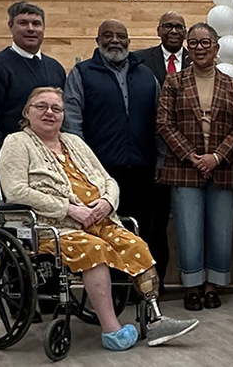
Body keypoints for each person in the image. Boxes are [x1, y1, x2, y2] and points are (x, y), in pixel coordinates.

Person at [0, 87, 198, 351]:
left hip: (98, 219)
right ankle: (111, 331)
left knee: (135, 244)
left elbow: (108, 180)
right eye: (41, 106)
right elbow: (16, 190)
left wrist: (106, 201)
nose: (49, 113)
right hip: (51, 227)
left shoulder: (74, 142)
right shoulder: (16, 142)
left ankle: (156, 320)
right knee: (95, 250)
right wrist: (67, 209)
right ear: (27, 112)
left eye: (56, 108)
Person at [63, 19, 172, 286]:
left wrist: (160, 159)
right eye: (108, 35)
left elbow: (159, 122)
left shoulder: (146, 75)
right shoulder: (81, 73)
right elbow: (73, 123)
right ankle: (112, 289)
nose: (115, 40)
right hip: (101, 173)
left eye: (121, 36)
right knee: (107, 232)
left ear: (129, 41)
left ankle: (147, 289)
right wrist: (83, 168)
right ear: (97, 40)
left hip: (143, 169)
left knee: (146, 229)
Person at [157, 23, 233, 311]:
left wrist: (216, 157)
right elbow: (164, 124)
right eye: (193, 43)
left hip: (223, 168)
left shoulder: (232, 84)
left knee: (220, 232)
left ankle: (212, 287)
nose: (199, 48)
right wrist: (192, 156)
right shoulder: (174, 82)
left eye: (205, 43)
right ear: (188, 47)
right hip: (184, 168)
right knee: (188, 231)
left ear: (216, 48)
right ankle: (192, 287)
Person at [0, 1, 66, 166]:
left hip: (53, 161)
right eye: (23, 23)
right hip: (15, 160)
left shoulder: (55, 67)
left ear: (43, 28)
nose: (31, 28)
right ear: (10, 26)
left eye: (36, 24)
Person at [134, 11, 191, 86]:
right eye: (168, 26)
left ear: (185, 34)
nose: (174, 31)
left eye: (179, 27)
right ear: (158, 31)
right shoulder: (141, 59)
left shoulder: (194, 61)